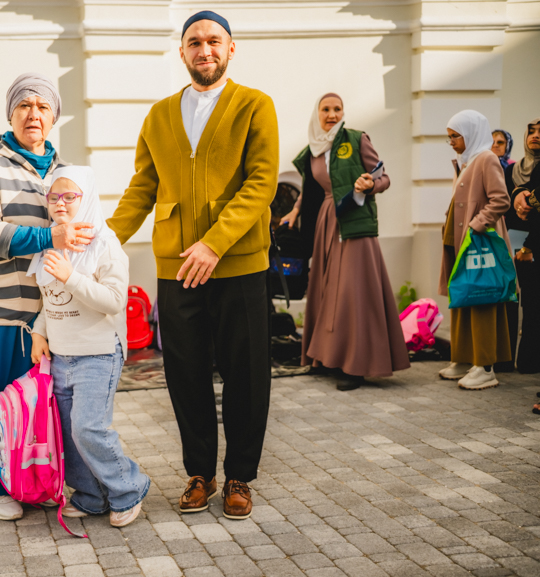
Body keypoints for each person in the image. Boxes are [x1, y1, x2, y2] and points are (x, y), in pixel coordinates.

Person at [106, 10, 277, 520]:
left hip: (238, 263)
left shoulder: (255, 105)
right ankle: (200, 473)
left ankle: (240, 475)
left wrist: (215, 243)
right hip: (177, 265)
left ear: (230, 48)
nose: (205, 49)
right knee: (185, 374)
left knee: (246, 374)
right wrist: (104, 242)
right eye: (195, 42)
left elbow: (261, 182)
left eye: (214, 41)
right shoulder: (160, 115)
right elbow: (142, 187)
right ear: (181, 51)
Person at [0, 73, 95, 520]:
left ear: (54, 117)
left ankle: (30, 479)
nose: (34, 114)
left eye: (43, 106)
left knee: (35, 404)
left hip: (41, 313)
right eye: (24, 106)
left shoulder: (64, 172)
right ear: (11, 114)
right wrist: (48, 236)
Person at [29, 166, 150, 527]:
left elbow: (114, 300)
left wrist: (72, 277)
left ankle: (128, 489)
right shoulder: (51, 243)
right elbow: (51, 298)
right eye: (54, 196)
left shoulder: (105, 245)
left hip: (98, 353)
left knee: (88, 429)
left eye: (70, 196)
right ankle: (91, 496)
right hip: (61, 356)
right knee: (68, 433)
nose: (60, 203)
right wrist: (39, 331)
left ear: (88, 198)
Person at [280, 94, 409, 390]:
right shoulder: (313, 150)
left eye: (337, 109)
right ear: (317, 114)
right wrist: (296, 210)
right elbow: (311, 189)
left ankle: (356, 366)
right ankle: (326, 358)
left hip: (355, 223)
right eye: (326, 109)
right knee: (326, 290)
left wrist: (371, 184)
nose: (332, 114)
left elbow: (384, 178)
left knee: (353, 293)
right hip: (326, 221)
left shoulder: (357, 139)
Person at [438, 110, 513, 390]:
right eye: (449, 137)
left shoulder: (486, 158)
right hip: (460, 238)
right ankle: (464, 358)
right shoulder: (467, 160)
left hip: (477, 240)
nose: (451, 142)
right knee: (462, 294)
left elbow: (501, 199)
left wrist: (476, 225)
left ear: (470, 133)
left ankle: (485, 366)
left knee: (481, 298)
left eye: (455, 136)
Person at [501, 119, 540, 375]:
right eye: (531, 131)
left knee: (533, 302)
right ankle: (510, 360)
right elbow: (505, 203)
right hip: (513, 240)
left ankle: (528, 361)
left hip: (532, 242)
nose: (535, 135)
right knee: (515, 300)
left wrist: (529, 244)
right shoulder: (512, 171)